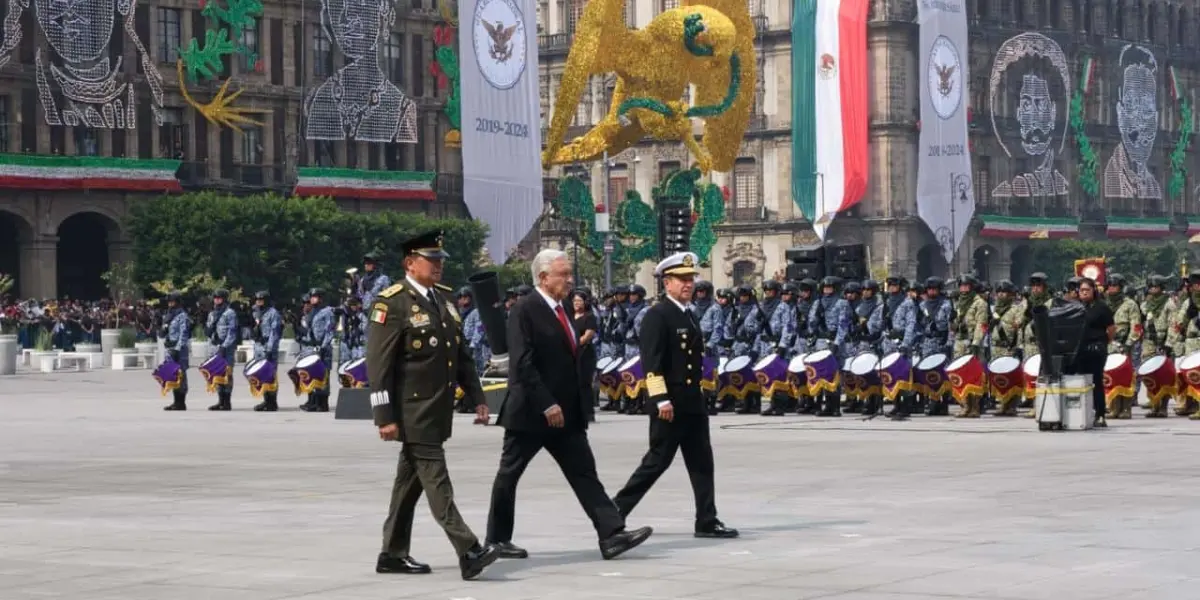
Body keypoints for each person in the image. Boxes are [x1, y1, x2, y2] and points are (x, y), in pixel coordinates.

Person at [485, 249, 652, 561]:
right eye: (564, 274)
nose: (570, 280)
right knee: (509, 474)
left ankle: (612, 534)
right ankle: (497, 539)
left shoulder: (561, 309)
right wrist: (547, 404)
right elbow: (523, 363)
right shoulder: (525, 309)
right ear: (544, 277)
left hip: (566, 414)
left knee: (584, 473)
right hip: (533, 413)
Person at [366, 229, 498, 580]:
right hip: (412, 412)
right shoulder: (391, 303)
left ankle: (392, 553)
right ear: (410, 263)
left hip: (437, 410)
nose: (439, 266)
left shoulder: (444, 299)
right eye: (432, 260)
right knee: (438, 483)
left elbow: (461, 356)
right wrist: (384, 416)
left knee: (407, 486)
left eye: (441, 260)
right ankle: (469, 549)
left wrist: (478, 397)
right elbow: (379, 366)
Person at [611, 252, 738, 539]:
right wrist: (660, 399)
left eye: (691, 278)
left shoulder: (688, 313)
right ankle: (614, 512)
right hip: (670, 403)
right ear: (666, 282)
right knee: (657, 462)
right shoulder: (657, 315)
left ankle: (706, 519)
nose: (688, 284)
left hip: (692, 400)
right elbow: (651, 362)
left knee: (702, 461)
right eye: (682, 279)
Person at [1073, 278, 1114, 428]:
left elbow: (1111, 329)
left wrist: (1103, 342)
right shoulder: (1076, 307)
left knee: (1096, 381)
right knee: (1081, 380)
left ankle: (1100, 414)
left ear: (1093, 291)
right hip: (1080, 349)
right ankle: (1084, 413)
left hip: (1097, 349)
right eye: (1081, 290)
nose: (1084, 292)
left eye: (1087, 290)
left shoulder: (1101, 308)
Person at [205, 289, 239, 411]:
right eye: (215, 298)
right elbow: (209, 328)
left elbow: (232, 332)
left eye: (219, 298)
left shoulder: (230, 313)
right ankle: (220, 401)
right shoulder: (212, 313)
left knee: (227, 374)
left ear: (224, 299)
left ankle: (227, 402)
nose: (217, 300)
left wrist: (224, 346)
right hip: (215, 347)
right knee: (217, 374)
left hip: (226, 349)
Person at [251, 291, 283, 412]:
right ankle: (266, 400)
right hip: (259, 346)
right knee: (261, 374)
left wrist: (270, 349)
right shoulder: (256, 312)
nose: (258, 302)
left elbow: (274, 333)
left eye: (261, 300)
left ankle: (272, 402)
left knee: (270, 374)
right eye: (257, 299)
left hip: (268, 347)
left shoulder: (273, 313)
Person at [162, 292, 192, 411]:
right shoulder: (169, 315)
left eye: (172, 302)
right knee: (173, 375)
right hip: (170, 348)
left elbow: (183, 335)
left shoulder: (182, 316)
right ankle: (175, 401)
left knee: (181, 375)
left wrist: (177, 349)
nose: (170, 304)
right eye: (169, 302)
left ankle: (181, 402)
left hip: (179, 351)